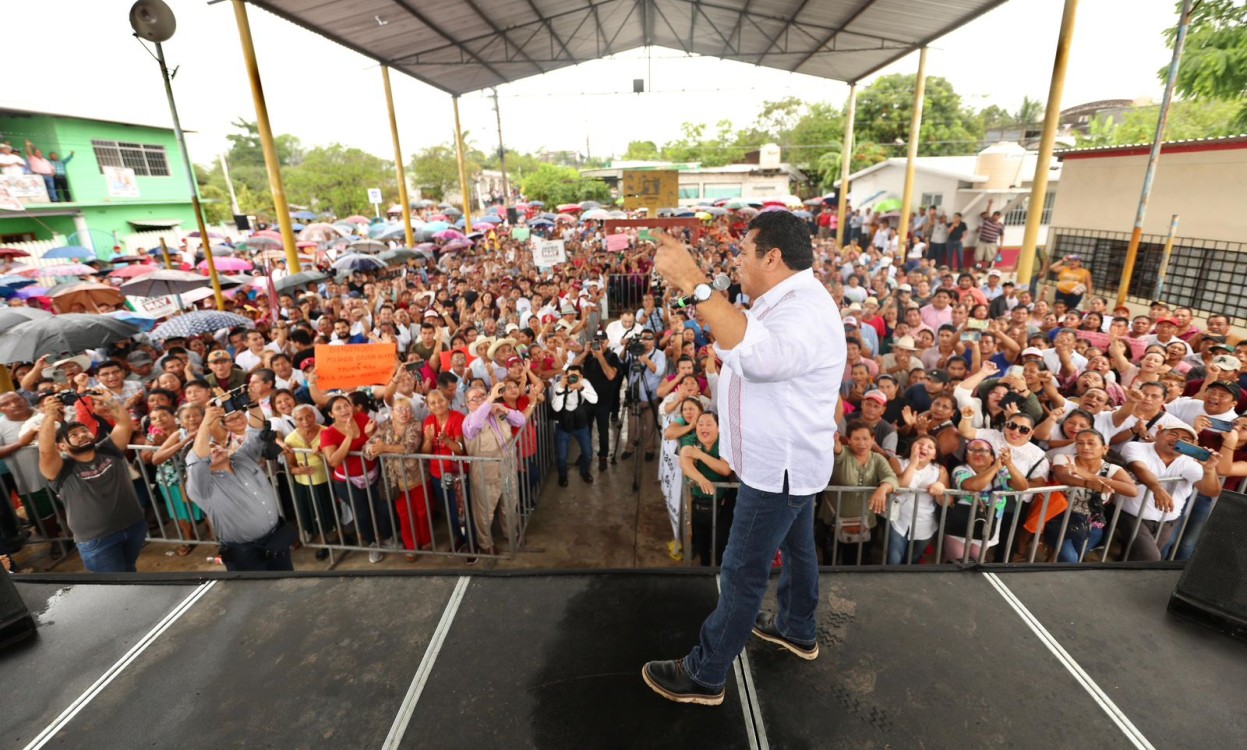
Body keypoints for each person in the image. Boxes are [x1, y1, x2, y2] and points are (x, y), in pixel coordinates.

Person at [643, 210, 845, 706]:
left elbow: (762, 357)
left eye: (743, 252)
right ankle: (797, 627)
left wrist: (694, 281)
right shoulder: (781, 301)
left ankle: (706, 673)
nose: (735, 262)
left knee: (742, 570)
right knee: (798, 550)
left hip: (777, 470)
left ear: (772, 257)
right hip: (785, 465)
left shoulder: (804, 311)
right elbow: (747, 344)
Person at [38, 390, 145, 574]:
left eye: (84, 431)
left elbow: (124, 423)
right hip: (98, 540)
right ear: (61, 446)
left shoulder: (109, 450)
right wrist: (49, 416)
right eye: (74, 435)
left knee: (130, 572)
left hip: (134, 526)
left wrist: (110, 400)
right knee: (114, 589)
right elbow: (46, 451)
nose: (82, 435)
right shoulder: (60, 469)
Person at [187, 404, 295, 572]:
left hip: (276, 540)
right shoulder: (202, 488)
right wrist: (205, 424)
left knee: (287, 583)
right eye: (208, 450)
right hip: (245, 554)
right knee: (254, 596)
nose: (213, 449)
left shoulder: (242, 458)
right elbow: (196, 459)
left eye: (214, 445)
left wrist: (252, 404)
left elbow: (256, 431)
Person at [463, 383, 526, 556]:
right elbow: (474, 426)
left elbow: (521, 420)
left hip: (508, 468)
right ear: (467, 404)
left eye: (482, 396)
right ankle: (485, 543)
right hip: (486, 474)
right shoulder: (469, 420)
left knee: (509, 505)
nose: (480, 400)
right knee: (485, 513)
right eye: (474, 399)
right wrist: (489, 400)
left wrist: (505, 410)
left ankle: (511, 534)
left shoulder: (498, 413)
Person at [679, 412, 733, 566]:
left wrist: (700, 455)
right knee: (701, 540)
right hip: (698, 502)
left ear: (718, 428)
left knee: (720, 542)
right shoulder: (691, 439)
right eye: (700, 424)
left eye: (709, 424)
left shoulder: (724, 443)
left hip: (721, 504)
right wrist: (702, 479)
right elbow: (685, 459)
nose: (704, 427)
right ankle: (704, 566)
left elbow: (725, 469)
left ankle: (718, 571)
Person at [550, 363, 598, 486]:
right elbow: (556, 408)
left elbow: (594, 399)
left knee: (587, 452)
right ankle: (562, 476)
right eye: (570, 376)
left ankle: (585, 472)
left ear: (581, 377)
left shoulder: (584, 383)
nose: (572, 379)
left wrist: (580, 388)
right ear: (565, 375)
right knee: (561, 456)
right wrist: (561, 388)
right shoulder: (559, 385)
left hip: (580, 423)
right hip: (564, 424)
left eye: (575, 376)